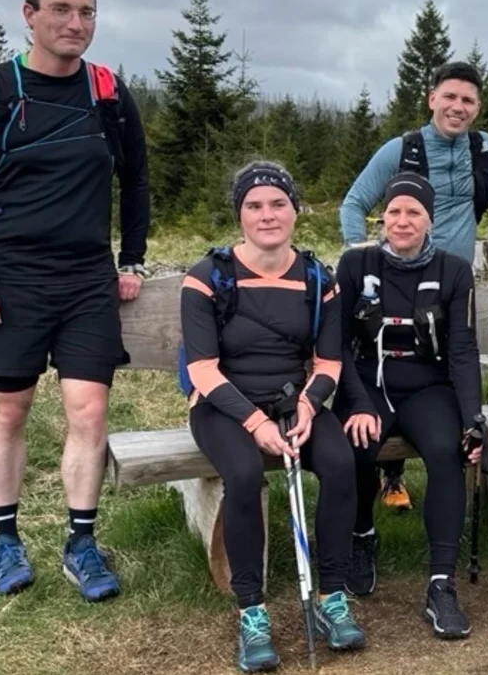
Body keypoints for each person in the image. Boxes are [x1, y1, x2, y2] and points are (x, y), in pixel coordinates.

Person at [0, 0, 149, 602]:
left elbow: (135, 178)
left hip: (86, 279)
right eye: (60, 9)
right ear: (29, 15)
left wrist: (132, 257)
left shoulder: (107, 92)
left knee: (88, 413)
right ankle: (4, 537)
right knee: (8, 413)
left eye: (86, 12)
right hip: (11, 277)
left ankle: (81, 544)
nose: (75, 23)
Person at [181, 161, 366, 672]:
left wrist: (308, 405)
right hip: (223, 405)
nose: (268, 215)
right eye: (255, 206)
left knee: (341, 463)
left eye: (278, 204)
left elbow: (328, 362)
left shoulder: (318, 279)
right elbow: (201, 369)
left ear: (295, 211)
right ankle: (252, 612)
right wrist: (256, 424)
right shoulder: (206, 278)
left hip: (292, 401)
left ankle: (331, 596)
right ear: (239, 214)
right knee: (243, 474)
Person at [338, 60, 488, 511]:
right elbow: (354, 203)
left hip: (452, 286)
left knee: (446, 372)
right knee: (393, 367)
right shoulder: (401, 150)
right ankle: (391, 476)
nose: (457, 107)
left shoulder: (483, 150)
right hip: (397, 284)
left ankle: (456, 472)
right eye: (449, 97)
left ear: (477, 107)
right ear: (432, 99)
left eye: (467, 100)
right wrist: (359, 256)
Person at [333, 171, 485, 640]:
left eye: (414, 212)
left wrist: (473, 418)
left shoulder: (453, 271)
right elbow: (335, 344)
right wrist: (357, 401)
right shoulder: (355, 265)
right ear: (382, 218)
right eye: (394, 211)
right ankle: (362, 535)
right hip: (367, 383)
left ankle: (442, 583)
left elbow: (463, 349)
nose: (402, 221)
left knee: (446, 451)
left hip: (427, 386)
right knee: (358, 444)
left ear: (429, 220)